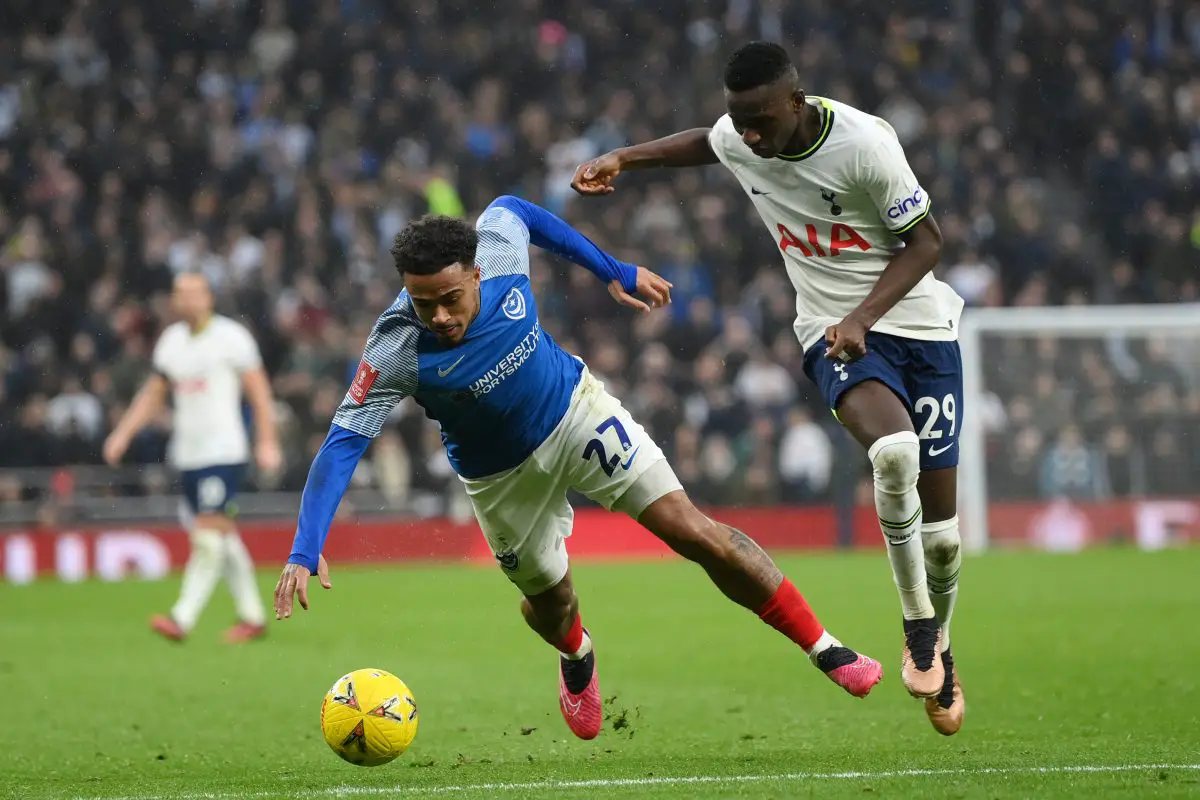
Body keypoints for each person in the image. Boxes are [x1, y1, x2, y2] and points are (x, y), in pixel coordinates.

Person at [273, 195, 883, 741]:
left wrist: (613, 270)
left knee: (696, 533)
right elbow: (341, 443)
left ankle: (823, 647)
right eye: (423, 302)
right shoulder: (395, 347)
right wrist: (305, 547)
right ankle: (577, 655)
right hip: (499, 480)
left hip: (576, 414)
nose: (438, 316)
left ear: (478, 273)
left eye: (451, 299)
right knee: (553, 602)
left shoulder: (501, 249)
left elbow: (518, 208)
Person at [570, 41, 966, 735]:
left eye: (759, 120)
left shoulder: (865, 145)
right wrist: (624, 158)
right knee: (893, 454)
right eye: (738, 119)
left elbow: (928, 243)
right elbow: (706, 143)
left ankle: (943, 645)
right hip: (830, 331)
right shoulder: (743, 134)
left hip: (918, 328)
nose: (747, 135)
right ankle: (918, 627)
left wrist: (865, 316)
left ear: (795, 101)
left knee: (944, 538)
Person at [104, 273, 282, 644]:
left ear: (208, 297)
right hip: (187, 455)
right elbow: (153, 395)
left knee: (207, 536)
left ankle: (181, 617)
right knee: (221, 536)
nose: (186, 301)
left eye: (193, 293)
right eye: (179, 294)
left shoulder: (232, 337)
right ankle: (252, 616)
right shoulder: (171, 343)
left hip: (223, 451)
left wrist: (267, 440)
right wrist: (123, 433)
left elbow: (259, 391)